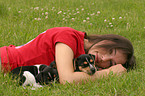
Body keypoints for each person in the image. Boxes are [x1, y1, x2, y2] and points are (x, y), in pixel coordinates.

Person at [0, 27, 136, 84]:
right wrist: (109, 72)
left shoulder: (82, 58)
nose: (104, 58)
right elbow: (67, 79)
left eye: (111, 63)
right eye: (110, 51)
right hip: (4, 61)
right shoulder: (69, 37)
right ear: (108, 40)